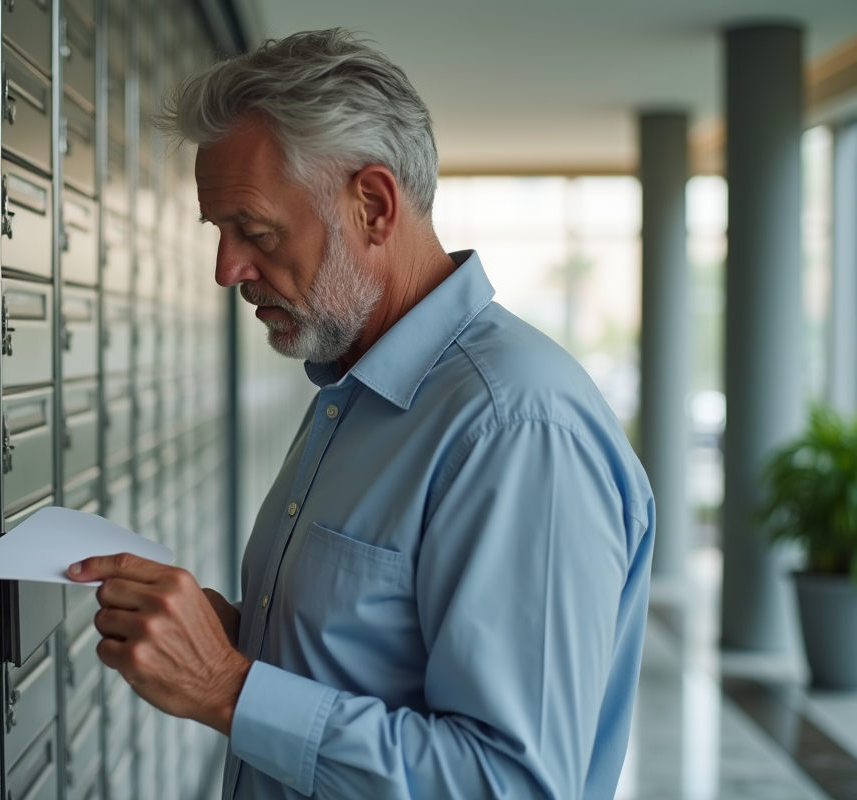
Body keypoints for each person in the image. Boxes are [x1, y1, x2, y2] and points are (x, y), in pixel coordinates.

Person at [68, 28, 654, 800]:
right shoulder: (351, 392)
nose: (226, 270)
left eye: (256, 231)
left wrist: (229, 688)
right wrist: (240, 642)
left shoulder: (513, 428)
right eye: (221, 232)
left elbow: (507, 783)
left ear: (373, 206)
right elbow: (381, 664)